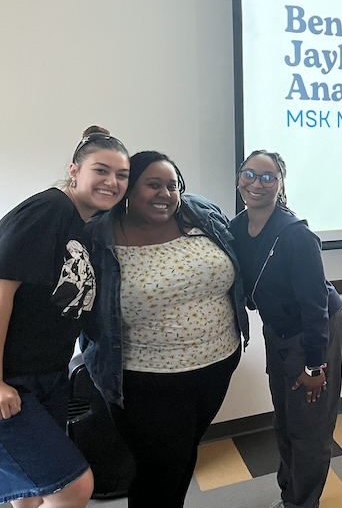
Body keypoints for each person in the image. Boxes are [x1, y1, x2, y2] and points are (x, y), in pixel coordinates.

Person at [81, 151, 249, 508]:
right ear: (129, 189)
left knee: (185, 453)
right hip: (146, 382)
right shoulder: (97, 236)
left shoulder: (199, 213)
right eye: (153, 185)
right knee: (157, 469)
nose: (165, 194)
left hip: (217, 365)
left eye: (172, 186)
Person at [0, 126, 130, 507]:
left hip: (48, 377)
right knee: (74, 486)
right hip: (14, 379)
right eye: (101, 170)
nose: (112, 182)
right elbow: (1, 291)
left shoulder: (85, 225)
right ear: (74, 170)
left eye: (121, 175)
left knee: (32, 494)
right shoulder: (50, 209)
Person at [230, 150, 342, 508]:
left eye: (268, 177)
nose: (257, 183)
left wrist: (314, 366)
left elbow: (315, 307)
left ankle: (302, 502)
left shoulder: (296, 235)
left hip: (314, 330)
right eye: (249, 174)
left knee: (308, 426)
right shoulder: (235, 228)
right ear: (239, 178)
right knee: (283, 418)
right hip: (277, 330)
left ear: (280, 184)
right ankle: (290, 493)